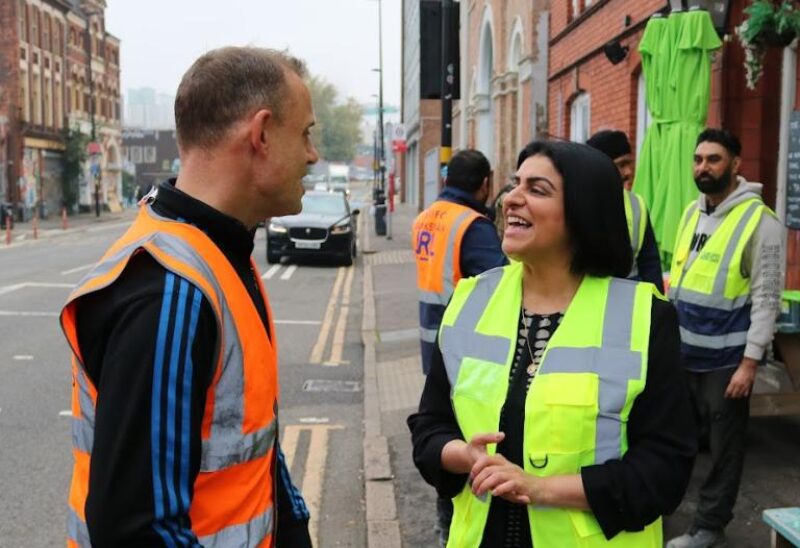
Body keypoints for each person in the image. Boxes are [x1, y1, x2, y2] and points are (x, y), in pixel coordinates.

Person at [59, 47, 317, 547]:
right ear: (261, 135)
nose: (312, 154)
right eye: (305, 133)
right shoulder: (168, 291)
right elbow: (138, 532)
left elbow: (249, 447)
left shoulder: (220, 256)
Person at [408, 140, 697, 547]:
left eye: (537, 189)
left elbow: (665, 469)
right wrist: (464, 455)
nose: (512, 199)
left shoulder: (646, 318)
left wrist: (541, 488)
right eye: (515, 184)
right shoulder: (471, 299)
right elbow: (430, 427)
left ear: (583, 213)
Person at [665, 129, 785, 548]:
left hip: (726, 363)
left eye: (713, 159)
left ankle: (709, 526)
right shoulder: (689, 213)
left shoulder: (761, 221)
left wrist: (750, 362)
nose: (703, 167)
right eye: (698, 159)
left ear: (736, 164)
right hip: (682, 355)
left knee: (724, 450)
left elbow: (767, 296)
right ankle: (662, 508)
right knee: (673, 439)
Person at [412, 149, 507, 546]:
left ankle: (444, 522)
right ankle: (450, 523)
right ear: (485, 184)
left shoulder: (427, 216)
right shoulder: (474, 225)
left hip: (431, 341)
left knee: (442, 432)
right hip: (469, 353)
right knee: (468, 441)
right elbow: (502, 283)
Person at [587, 129, 664, 291]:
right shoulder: (574, 203)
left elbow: (650, 263)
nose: (628, 172)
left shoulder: (638, 204)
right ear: (600, 166)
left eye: (629, 163)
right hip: (585, 298)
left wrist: (656, 306)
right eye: (621, 165)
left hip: (627, 299)